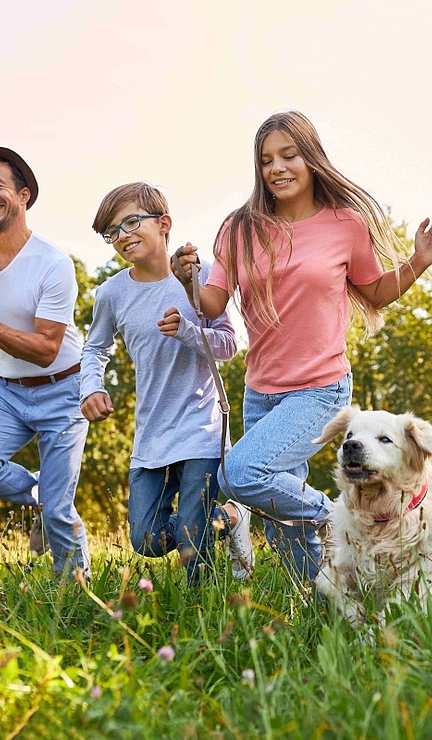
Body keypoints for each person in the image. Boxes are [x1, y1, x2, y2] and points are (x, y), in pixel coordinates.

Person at [171, 110, 432, 584]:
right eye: (265, 160)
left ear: (311, 157)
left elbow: (375, 291)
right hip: (261, 392)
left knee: (239, 474)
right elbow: (213, 301)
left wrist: (418, 261)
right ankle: (324, 604)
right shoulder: (240, 229)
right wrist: (188, 279)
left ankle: (335, 513)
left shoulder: (345, 223)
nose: (276, 168)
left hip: (320, 390)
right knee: (283, 521)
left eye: (288, 155)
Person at [0, 146, 91, 579]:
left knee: (60, 514)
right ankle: (42, 490)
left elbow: (45, 347)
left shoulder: (52, 264)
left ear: (23, 195)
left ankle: (74, 595)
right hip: (8, 391)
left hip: (64, 389)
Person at [81, 182, 242, 586]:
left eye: (131, 222)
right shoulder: (112, 293)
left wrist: (188, 330)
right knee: (146, 539)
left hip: (200, 430)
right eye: (111, 231)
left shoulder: (197, 278)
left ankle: (202, 612)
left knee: (192, 546)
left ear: (164, 223)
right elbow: (94, 349)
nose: (122, 236)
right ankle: (230, 517)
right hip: (151, 433)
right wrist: (91, 387)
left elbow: (228, 345)